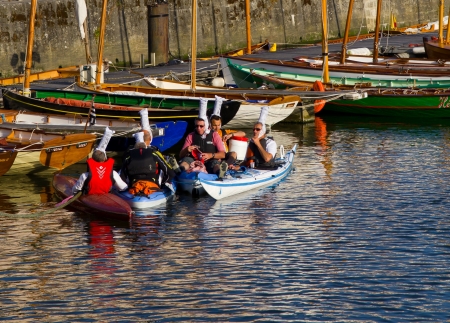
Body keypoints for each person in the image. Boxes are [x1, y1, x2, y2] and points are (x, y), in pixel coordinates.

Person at [72, 127, 128, 195]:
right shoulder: (113, 174)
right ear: (105, 159)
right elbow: (123, 188)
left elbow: (75, 190)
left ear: (92, 159)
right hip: (106, 196)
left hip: (90, 196)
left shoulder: (85, 176)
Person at [120, 130, 175, 195]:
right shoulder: (154, 153)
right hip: (153, 186)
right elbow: (170, 173)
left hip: (134, 186)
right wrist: (165, 183)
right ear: (149, 139)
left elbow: (122, 176)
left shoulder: (129, 154)